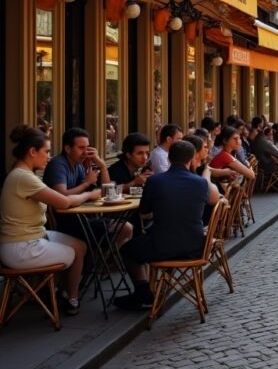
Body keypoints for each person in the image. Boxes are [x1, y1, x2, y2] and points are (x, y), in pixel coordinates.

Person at [0, 126, 102, 316]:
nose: (49, 156)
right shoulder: (24, 177)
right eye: (46, 151)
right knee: (72, 252)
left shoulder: (23, 174)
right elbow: (63, 202)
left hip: (31, 238)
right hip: (21, 247)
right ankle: (56, 293)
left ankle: (70, 297)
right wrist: (89, 194)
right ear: (32, 152)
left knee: (80, 246)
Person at [113, 140, 220, 311]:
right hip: (195, 247)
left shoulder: (155, 181)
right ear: (192, 159)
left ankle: (143, 290)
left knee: (127, 249)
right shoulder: (200, 183)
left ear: (169, 158)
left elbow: (144, 212)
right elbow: (212, 200)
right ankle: (146, 292)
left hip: (162, 248)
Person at [43, 128, 132, 247]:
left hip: (82, 217)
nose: (86, 152)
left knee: (126, 227)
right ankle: (102, 261)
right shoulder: (58, 164)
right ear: (68, 149)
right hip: (66, 222)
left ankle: (103, 259)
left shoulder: (78, 165)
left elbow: (106, 191)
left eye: (87, 148)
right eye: (81, 148)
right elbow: (61, 195)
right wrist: (86, 183)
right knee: (125, 228)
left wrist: (102, 166)